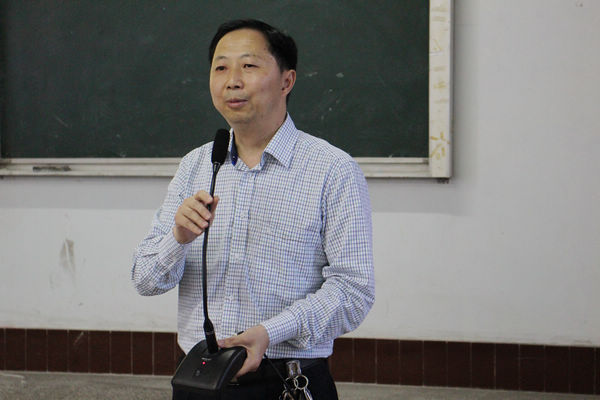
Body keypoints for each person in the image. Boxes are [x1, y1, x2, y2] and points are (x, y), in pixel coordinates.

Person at [132, 19, 375, 399]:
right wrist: (177, 239)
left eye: (248, 65)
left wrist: (269, 332)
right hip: (201, 379)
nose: (232, 81)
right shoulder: (196, 166)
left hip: (288, 382)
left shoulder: (332, 169)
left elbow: (353, 291)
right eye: (220, 67)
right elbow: (145, 281)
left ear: (286, 81)